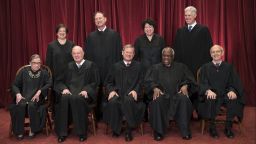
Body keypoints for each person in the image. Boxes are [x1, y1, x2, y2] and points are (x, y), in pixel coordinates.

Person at [144, 47, 197, 141]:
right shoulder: (155, 68)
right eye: (164, 55)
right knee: (157, 100)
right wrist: (154, 87)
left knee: (184, 99)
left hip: (177, 94)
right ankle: (158, 131)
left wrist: (185, 85)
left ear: (173, 56)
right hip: (162, 95)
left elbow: (190, 80)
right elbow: (148, 81)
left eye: (168, 56)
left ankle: (185, 131)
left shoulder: (182, 67)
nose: (166, 57)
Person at [54, 46, 100, 142]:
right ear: (72, 55)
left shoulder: (91, 65)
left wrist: (86, 90)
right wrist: (64, 89)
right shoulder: (68, 66)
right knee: (64, 98)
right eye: (74, 53)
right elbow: (59, 81)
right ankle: (62, 133)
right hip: (70, 93)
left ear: (83, 53)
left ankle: (82, 133)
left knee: (77, 99)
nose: (76, 55)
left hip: (83, 95)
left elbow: (95, 82)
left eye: (78, 53)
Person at [198, 45, 244, 139]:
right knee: (210, 99)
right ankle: (212, 127)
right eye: (213, 52)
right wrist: (208, 90)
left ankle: (228, 127)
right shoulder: (205, 67)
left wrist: (232, 90)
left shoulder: (229, 67)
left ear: (222, 53)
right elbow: (202, 83)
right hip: (212, 94)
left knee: (232, 98)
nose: (215, 54)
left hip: (225, 93)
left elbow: (234, 82)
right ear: (211, 54)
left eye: (218, 51)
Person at [103, 44, 145, 142]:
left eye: (131, 53)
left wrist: (136, 90)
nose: (129, 54)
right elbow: (108, 82)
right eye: (127, 52)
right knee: (113, 102)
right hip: (118, 94)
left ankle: (128, 130)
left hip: (132, 95)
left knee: (128, 100)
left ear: (134, 54)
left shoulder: (139, 66)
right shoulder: (115, 66)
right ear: (122, 53)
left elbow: (142, 82)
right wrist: (112, 91)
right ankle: (116, 129)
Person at [85, 11, 122, 119]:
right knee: (97, 92)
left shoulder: (114, 35)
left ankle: (110, 116)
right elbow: (87, 56)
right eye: (96, 19)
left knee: (110, 91)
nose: (98, 20)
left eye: (100, 18)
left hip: (110, 69)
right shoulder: (91, 37)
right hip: (96, 70)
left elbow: (118, 53)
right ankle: (97, 116)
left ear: (105, 19)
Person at [9, 54, 52, 140]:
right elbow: (14, 85)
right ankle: (19, 131)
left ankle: (33, 129)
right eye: (34, 63)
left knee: (32, 105)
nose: (37, 65)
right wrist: (18, 93)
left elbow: (49, 83)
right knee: (20, 105)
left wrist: (40, 91)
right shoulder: (23, 71)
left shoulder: (44, 73)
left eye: (39, 63)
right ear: (30, 63)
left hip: (38, 97)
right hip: (23, 96)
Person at [173, 6, 213, 76]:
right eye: (185, 15)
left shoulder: (203, 29)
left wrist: (205, 66)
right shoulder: (180, 31)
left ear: (195, 15)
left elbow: (208, 48)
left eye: (189, 15)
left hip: (199, 67)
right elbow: (177, 49)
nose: (187, 17)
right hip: (183, 67)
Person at [46, 24, 75, 115]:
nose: (62, 32)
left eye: (64, 31)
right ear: (56, 33)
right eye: (60, 31)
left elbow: (75, 59)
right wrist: (50, 76)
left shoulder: (72, 44)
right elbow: (48, 62)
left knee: (68, 96)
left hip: (69, 76)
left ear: (66, 33)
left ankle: (70, 116)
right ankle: (57, 117)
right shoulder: (51, 45)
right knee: (57, 98)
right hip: (56, 76)